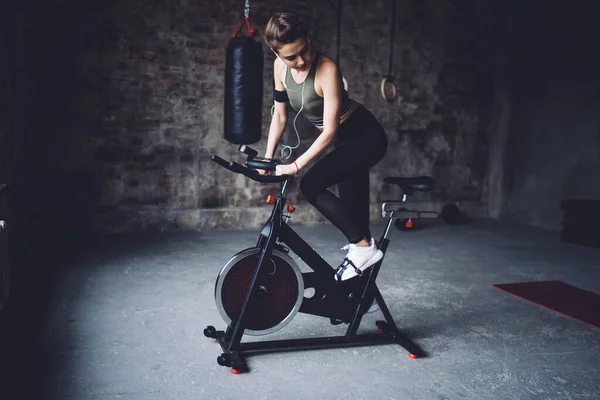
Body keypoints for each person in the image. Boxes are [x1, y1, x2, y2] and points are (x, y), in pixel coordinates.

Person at [262, 11, 388, 282]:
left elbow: (330, 131)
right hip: (344, 143)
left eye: (303, 50)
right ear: (276, 53)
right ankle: (364, 297)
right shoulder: (279, 69)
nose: (300, 60)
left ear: (308, 39)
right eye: (290, 56)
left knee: (311, 184)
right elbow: (280, 115)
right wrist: (268, 156)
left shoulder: (327, 68)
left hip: (364, 136)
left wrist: (296, 165)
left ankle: (363, 248)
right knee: (356, 223)